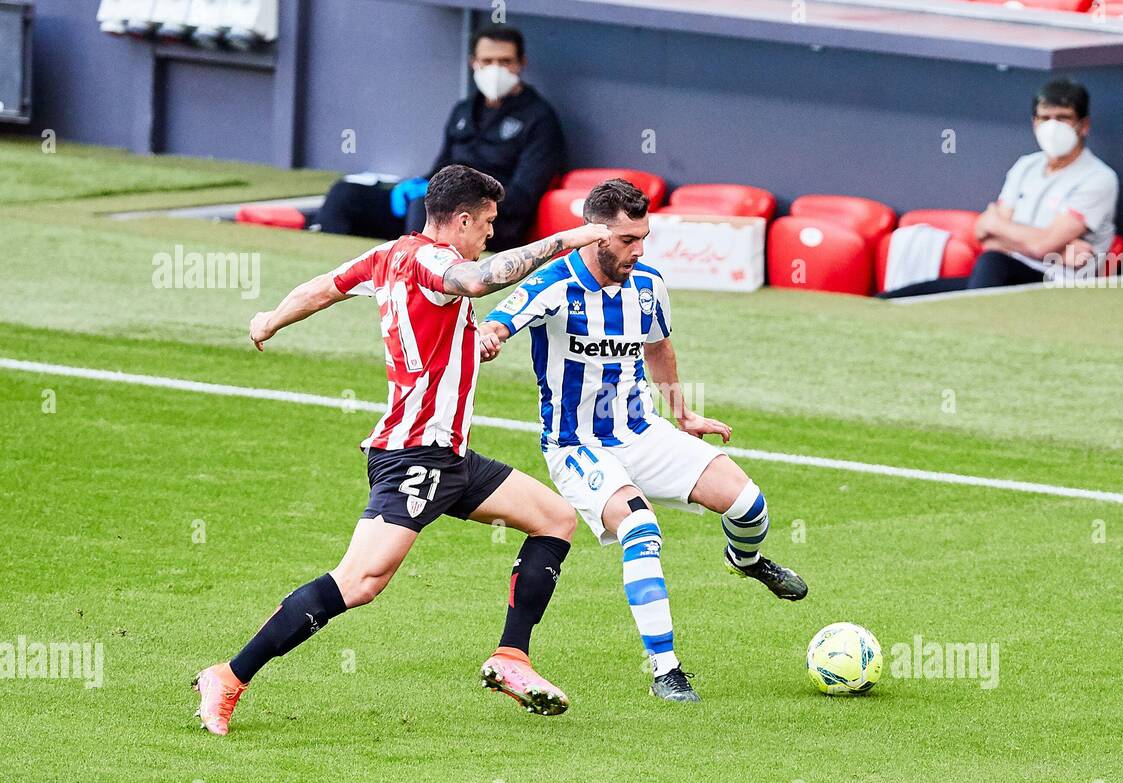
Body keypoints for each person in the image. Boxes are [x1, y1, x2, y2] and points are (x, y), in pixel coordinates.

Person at [192, 165, 610, 734]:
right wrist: (570, 240)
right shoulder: (434, 260)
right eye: (486, 223)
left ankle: (511, 657)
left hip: (450, 456)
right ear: (460, 221)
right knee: (360, 581)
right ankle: (230, 675)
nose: (490, 233)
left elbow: (322, 288)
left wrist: (270, 319)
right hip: (416, 455)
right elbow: (481, 279)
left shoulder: (390, 254)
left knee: (555, 519)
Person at [477, 179, 809, 704]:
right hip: (577, 445)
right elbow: (495, 321)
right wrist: (492, 337)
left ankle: (744, 561)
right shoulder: (552, 285)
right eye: (628, 239)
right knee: (640, 528)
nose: (639, 250)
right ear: (594, 236)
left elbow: (659, 347)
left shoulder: (649, 283)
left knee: (749, 505)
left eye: (644, 237)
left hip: (644, 431)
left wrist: (682, 411)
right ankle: (665, 668)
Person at [316, 25, 564, 250]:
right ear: (473, 63)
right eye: (487, 61)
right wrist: (415, 185)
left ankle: (414, 277)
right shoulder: (464, 110)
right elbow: (440, 169)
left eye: (505, 61)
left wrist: (455, 200)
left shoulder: (539, 118)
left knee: (422, 209)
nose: (495, 69)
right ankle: (331, 267)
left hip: (488, 223)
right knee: (345, 195)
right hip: (437, 212)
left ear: (521, 63)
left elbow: (523, 198)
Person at [879, 78, 1119, 298]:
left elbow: (1039, 244)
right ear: (1034, 123)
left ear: (1083, 125)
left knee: (994, 261)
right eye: (1045, 118)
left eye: (1063, 118)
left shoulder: (1098, 178)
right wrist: (1050, 250)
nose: (1053, 126)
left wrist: (1009, 232)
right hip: (1002, 277)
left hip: (1056, 285)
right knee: (893, 299)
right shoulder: (1026, 166)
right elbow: (985, 236)